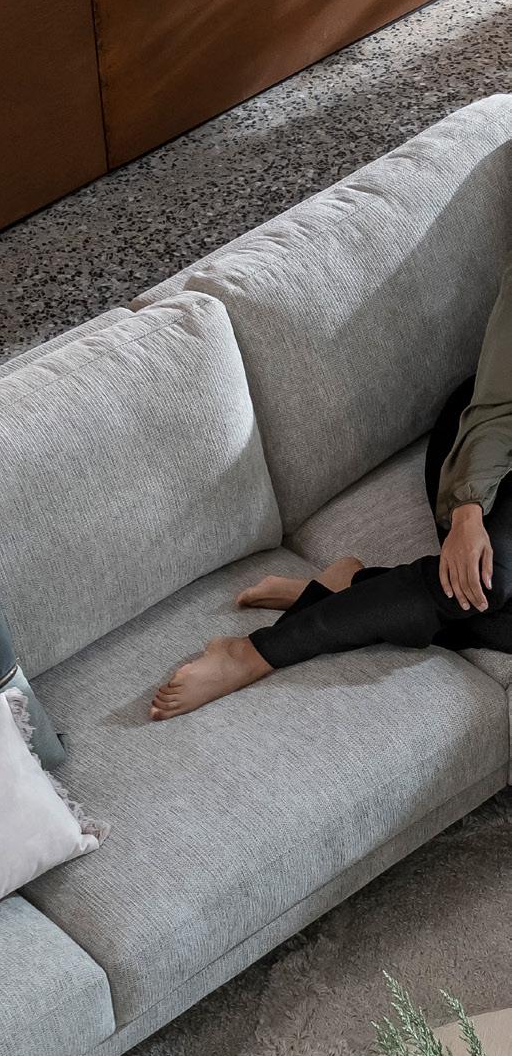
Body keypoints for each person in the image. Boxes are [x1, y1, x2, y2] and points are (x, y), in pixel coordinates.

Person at [152, 263, 512, 718]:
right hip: (488, 443)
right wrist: (468, 511)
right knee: (486, 582)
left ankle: (350, 587)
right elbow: (496, 410)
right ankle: (251, 652)